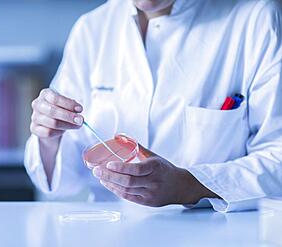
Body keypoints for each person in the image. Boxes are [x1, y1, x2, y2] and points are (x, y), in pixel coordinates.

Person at [25, 0, 282, 212]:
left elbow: (277, 159)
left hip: (214, 235)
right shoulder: (93, 28)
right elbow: (61, 183)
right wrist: (49, 139)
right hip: (111, 234)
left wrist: (190, 186)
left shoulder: (257, 19)